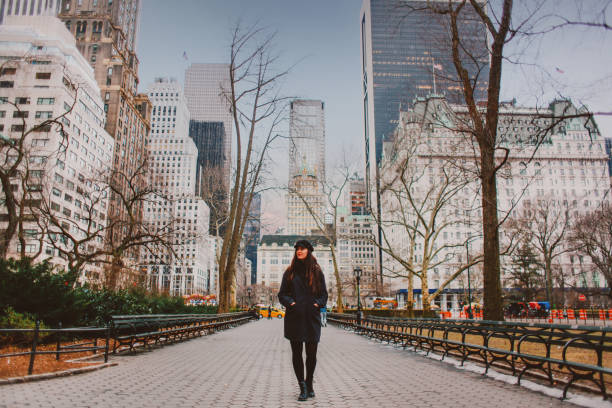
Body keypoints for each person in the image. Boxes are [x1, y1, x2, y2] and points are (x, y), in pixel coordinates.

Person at [278, 239, 328, 401]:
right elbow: (282, 294)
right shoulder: (290, 272)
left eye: (302, 249)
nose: (299, 251)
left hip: (312, 318)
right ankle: (302, 386)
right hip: (295, 318)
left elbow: (324, 295)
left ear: (309, 251)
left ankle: (310, 383)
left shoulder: (317, 271)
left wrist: (317, 304)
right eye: (297, 249)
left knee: (311, 354)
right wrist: (291, 303)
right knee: (297, 354)